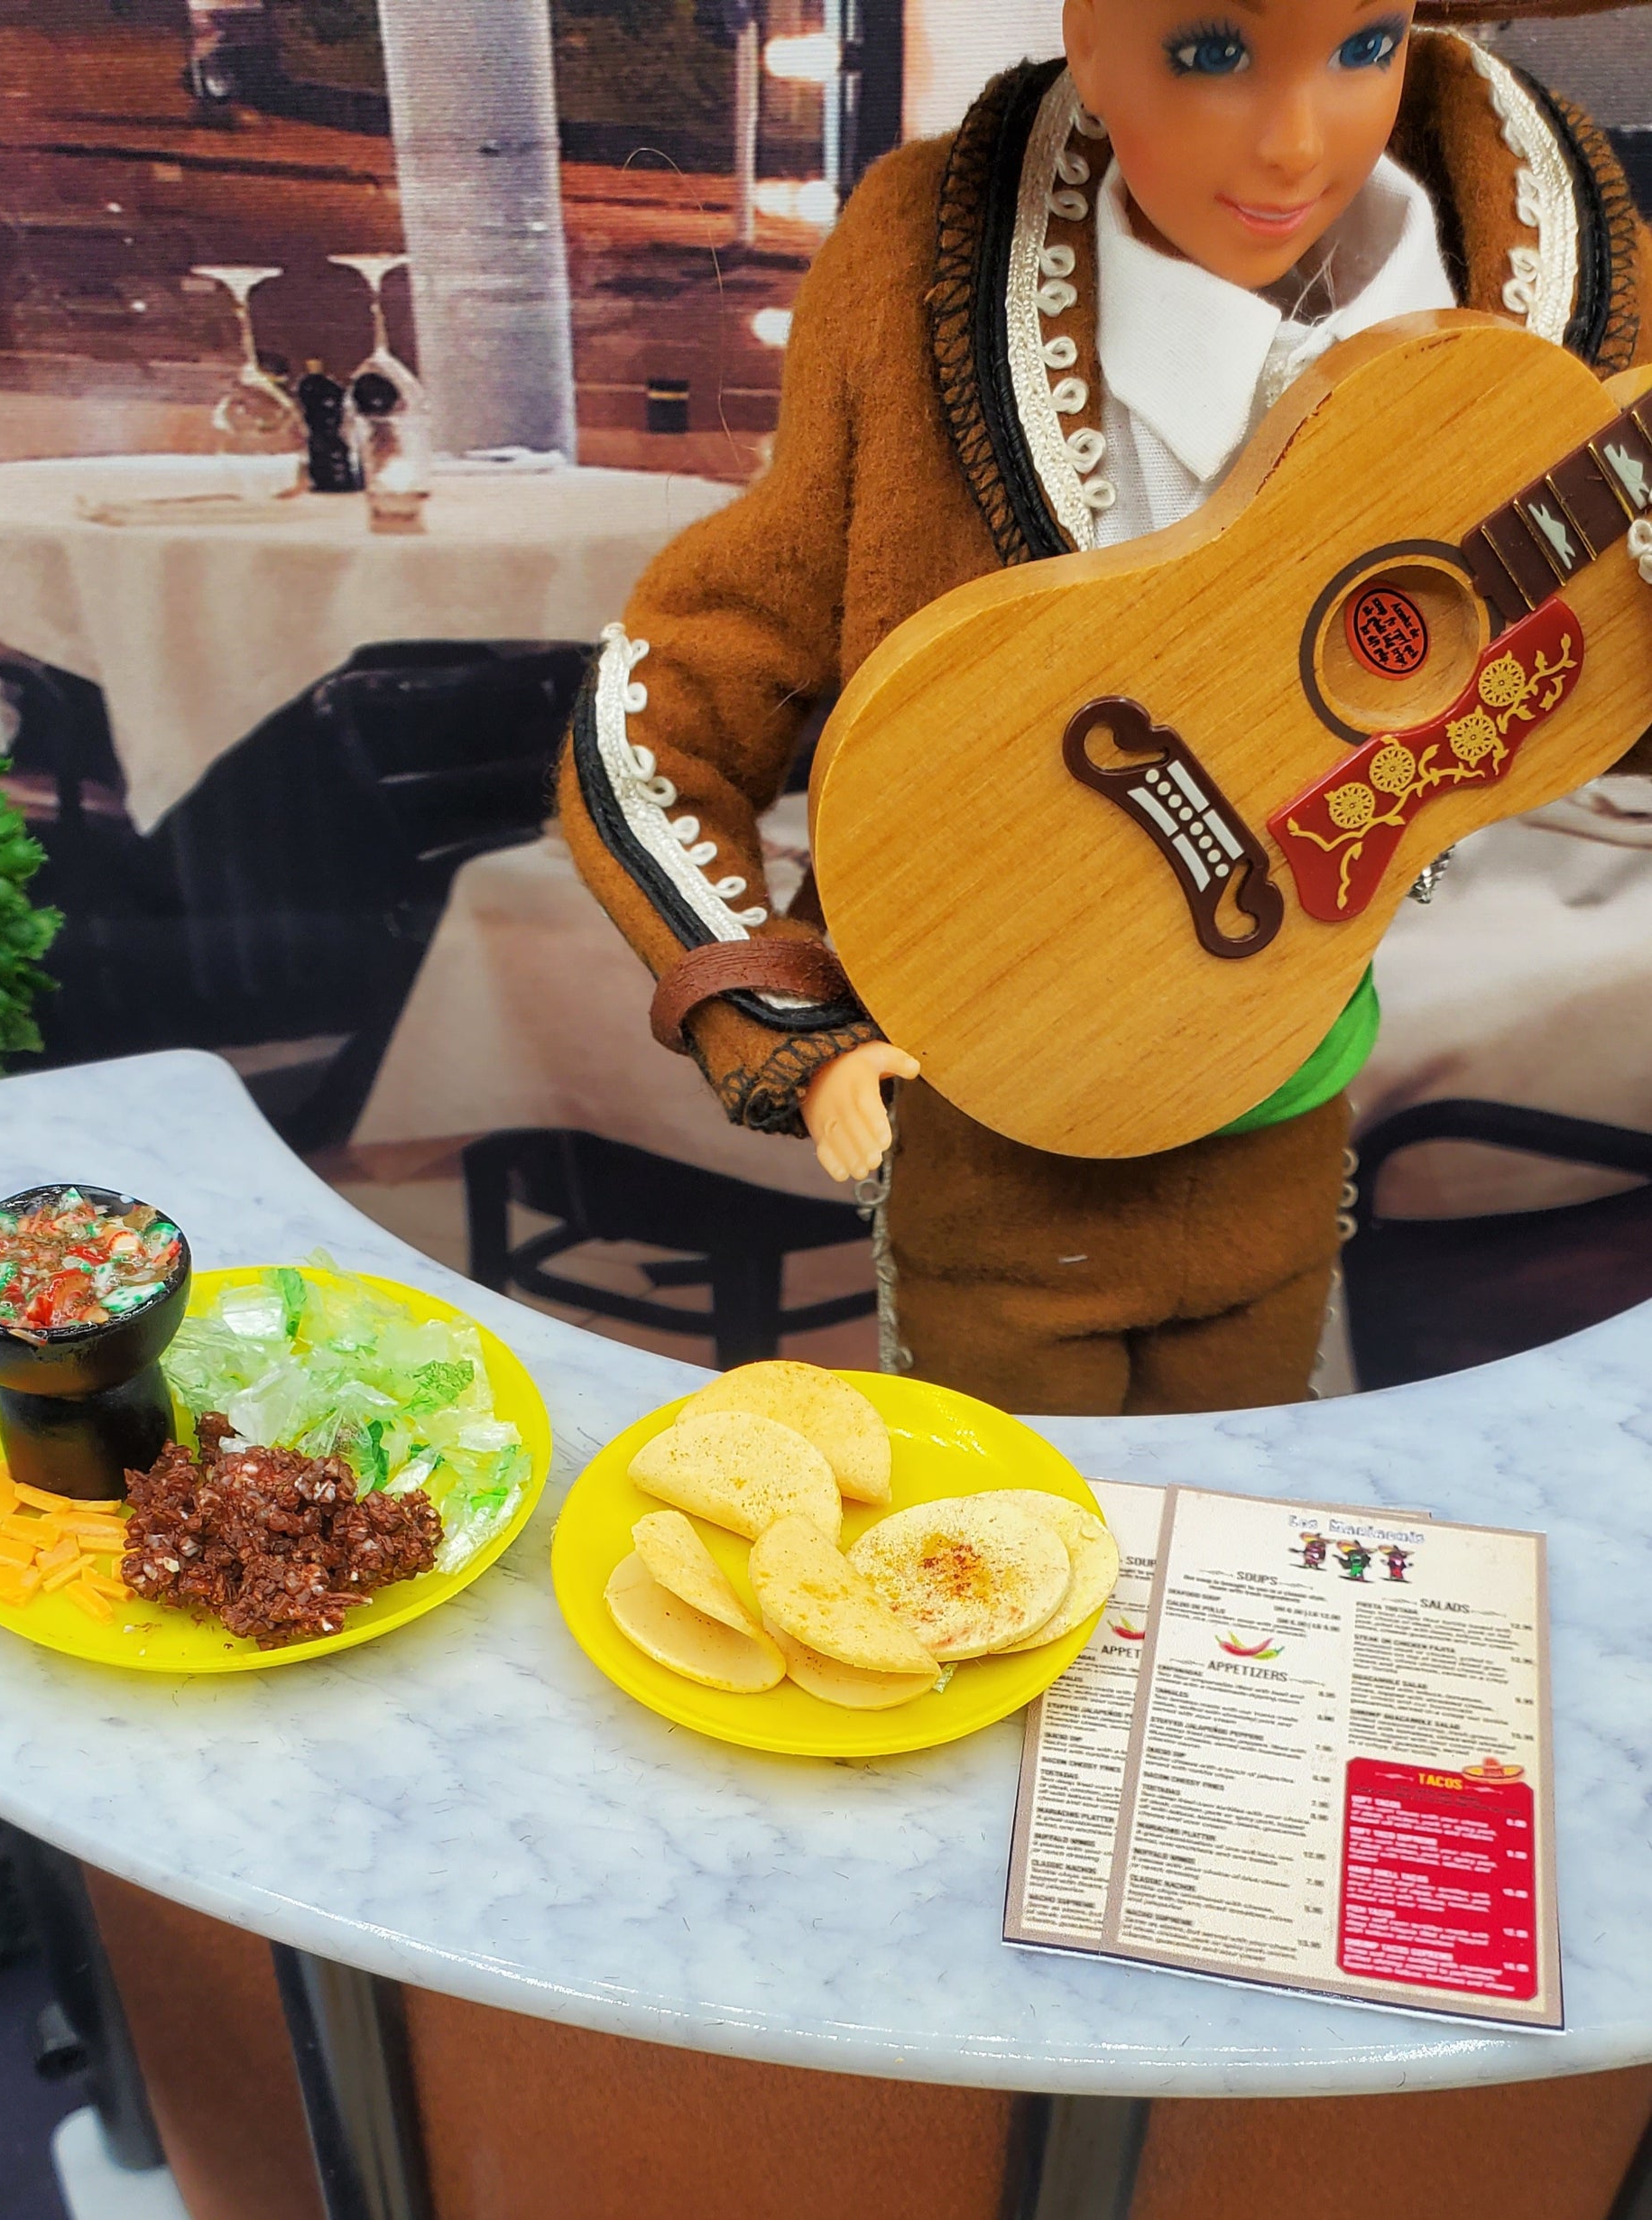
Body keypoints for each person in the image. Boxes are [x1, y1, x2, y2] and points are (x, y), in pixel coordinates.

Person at [560, 0, 1652, 1426]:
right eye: (1209, 50)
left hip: (1290, 1075)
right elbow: (683, 678)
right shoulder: (924, 256)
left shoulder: (1562, 284)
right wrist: (772, 1016)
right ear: (1085, 30)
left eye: (1363, 44)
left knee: (1247, 1514)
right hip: (993, 1099)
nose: (1292, 138)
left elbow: (1587, 684)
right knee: (1003, 1532)